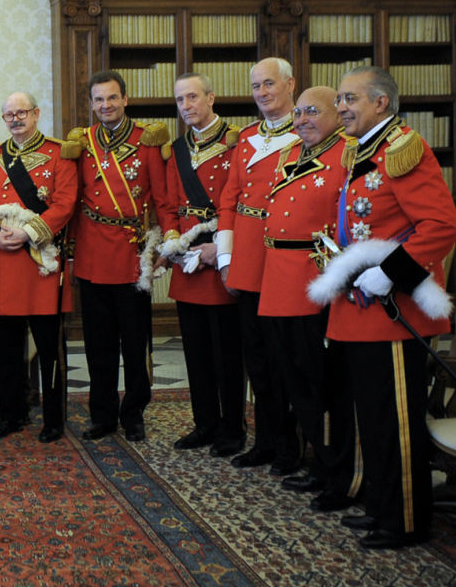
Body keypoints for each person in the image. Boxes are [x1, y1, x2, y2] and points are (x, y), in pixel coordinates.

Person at [308, 66, 456, 549]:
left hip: (395, 315)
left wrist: (391, 271)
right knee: (370, 419)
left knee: (394, 422)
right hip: (360, 310)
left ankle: (405, 521)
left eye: (350, 98)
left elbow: (440, 225)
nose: (342, 106)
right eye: (339, 98)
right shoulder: (364, 151)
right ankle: (379, 506)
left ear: (381, 102)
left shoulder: (403, 149)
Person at [258, 87, 362, 513]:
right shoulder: (290, 156)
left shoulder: (348, 157)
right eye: (298, 112)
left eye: (312, 111)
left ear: (338, 115)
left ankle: (336, 470)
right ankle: (316, 461)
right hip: (278, 280)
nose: (301, 119)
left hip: (314, 280)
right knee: (293, 381)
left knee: (321, 383)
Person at [0, 92, 79, 443]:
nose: (15, 119)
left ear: (36, 113)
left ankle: (54, 419)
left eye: (21, 113)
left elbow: (64, 204)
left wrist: (29, 232)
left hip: (40, 262)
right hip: (2, 261)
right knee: (6, 347)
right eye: (8, 115)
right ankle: (11, 414)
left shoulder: (60, 154)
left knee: (49, 347)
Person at [67, 71, 169, 443]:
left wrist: (163, 246)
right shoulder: (82, 142)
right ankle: (103, 413)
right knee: (98, 343)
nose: (105, 106)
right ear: (92, 104)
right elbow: (74, 203)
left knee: (135, 340)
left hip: (132, 253)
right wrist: (74, 256)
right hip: (93, 250)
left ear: (125, 99)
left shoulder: (147, 141)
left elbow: (162, 199)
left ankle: (135, 412)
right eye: (98, 100)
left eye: (111, 98)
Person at [215, 58, 302, 473]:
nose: (263, 92)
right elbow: (228, 200)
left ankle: (292, 448)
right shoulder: (247, 137)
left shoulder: (307, 133)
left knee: (287, 360)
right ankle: (266, 441)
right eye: (256, 87)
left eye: (270, 84)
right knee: (258, 361)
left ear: (290, 85)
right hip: (249, 263)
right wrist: (228, 260)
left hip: (286, 260)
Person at [160, 73, 246, 457]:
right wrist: (172, 241)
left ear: (212, 97)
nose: (186, 106)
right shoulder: (176, 148)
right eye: (180, 100)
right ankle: (205, 423)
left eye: (192, 97)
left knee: (228, 353)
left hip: (222, 258)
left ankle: (233, 428)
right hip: (188, 261)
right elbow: (167, 204)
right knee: (194, 351)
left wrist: (221, 249)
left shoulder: (239, 142)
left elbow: (245, 202)